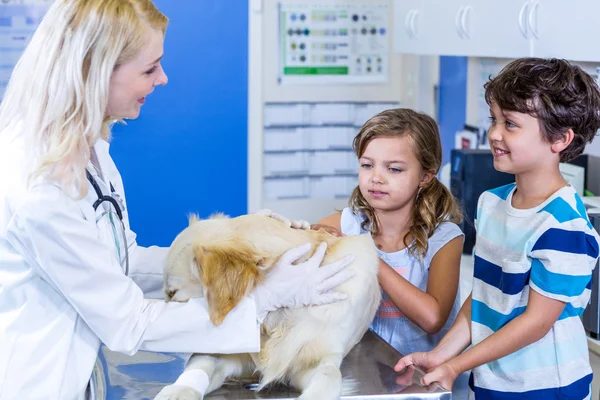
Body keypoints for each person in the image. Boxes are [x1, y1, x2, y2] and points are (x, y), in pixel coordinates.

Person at [0, 1, 354, 398]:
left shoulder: (87, 147)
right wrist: (260, 299)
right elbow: (128, 322)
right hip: (39, 383)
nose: (164, 78)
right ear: (94, 72)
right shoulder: (38, 186)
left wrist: (236, 256)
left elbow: (119, 260)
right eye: (150, 69)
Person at [395, 58, 600, 399]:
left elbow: (535, 325)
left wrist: (457, 365)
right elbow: (486, 297)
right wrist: (442, 355)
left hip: (546, 388)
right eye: (494, 119)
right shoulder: (492, 204)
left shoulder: (564, 227)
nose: (494, 133)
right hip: (492, 380)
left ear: (560, 139)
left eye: (511, 124)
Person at [312, 108, 464, 356]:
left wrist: (366, 255)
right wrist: (311, 236)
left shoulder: (444, 238)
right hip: (363, 368)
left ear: (425, 176)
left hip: (421, 378)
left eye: (394, 169)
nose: (376, 178)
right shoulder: (345, 225)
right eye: (367, 165)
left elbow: (432, 318)